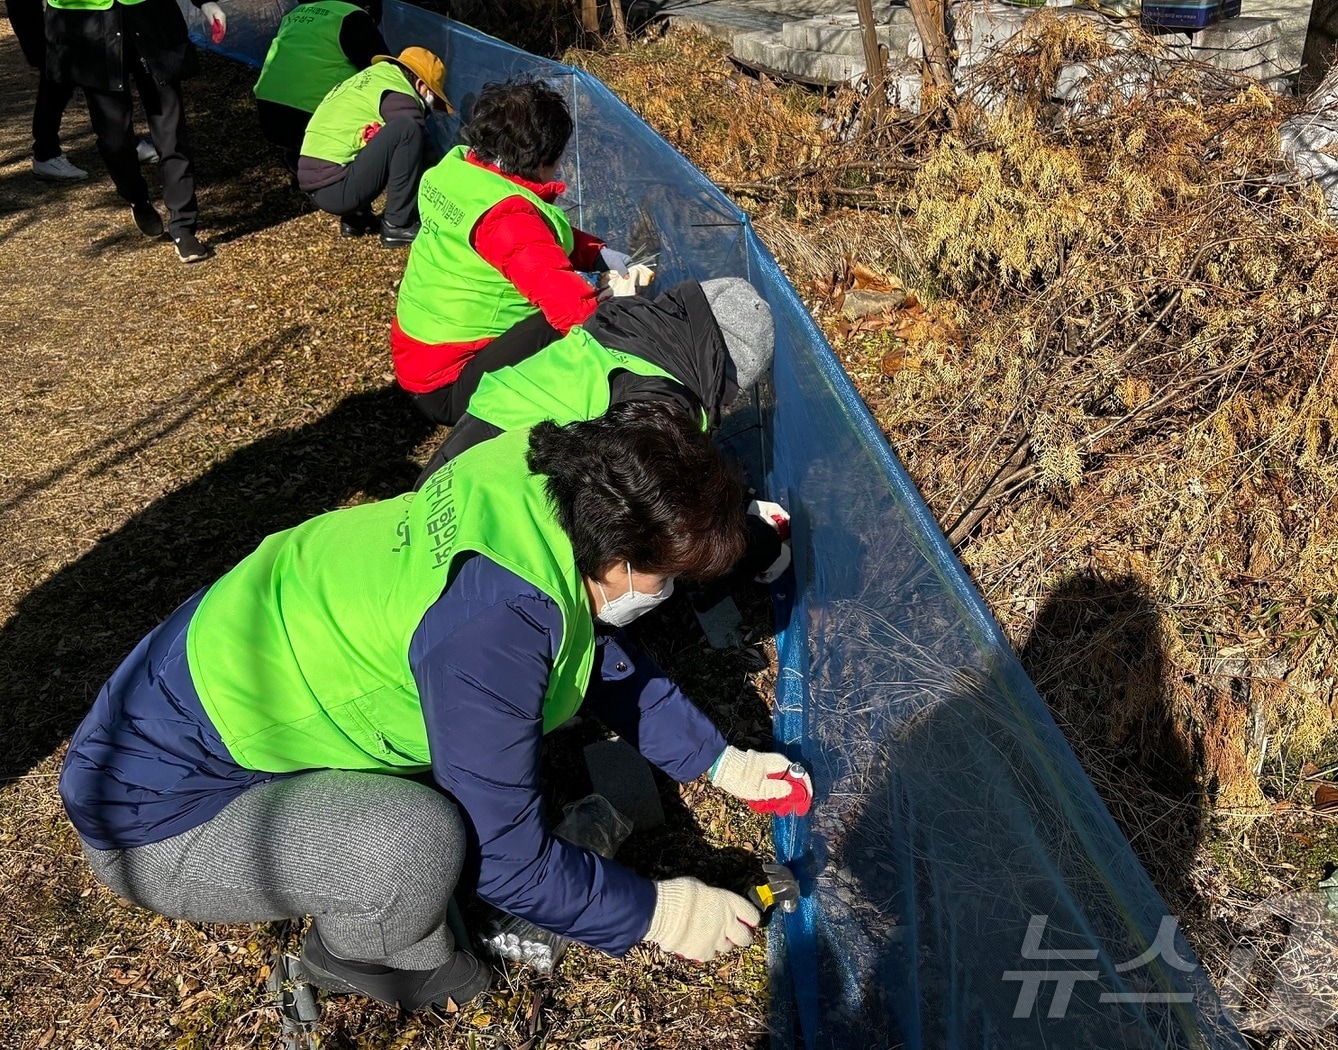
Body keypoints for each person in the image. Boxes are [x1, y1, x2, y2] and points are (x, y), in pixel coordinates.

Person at [59, 401, 813, 1012]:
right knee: (419, 843)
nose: (667, 594)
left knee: (466, 785)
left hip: (193, 685)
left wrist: (720, 761)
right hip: (157, 818)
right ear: (619, 561)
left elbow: (582, 646)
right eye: (667, 576)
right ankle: (358, 955)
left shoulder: (541, 472)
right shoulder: (491, 631)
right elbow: (513, 865)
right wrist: (664, 915)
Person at [413, 276, 792, 585]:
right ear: (723, 369)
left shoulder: (631, 328)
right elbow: (660, 524)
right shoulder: (660, 404)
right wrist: (751, 542)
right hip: (504, 489)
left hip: (480, 436)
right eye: (730, 391)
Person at [392, 78, 640, 427]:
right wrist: (631, 321)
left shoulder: (459, 171)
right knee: (572, 318)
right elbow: (570, 308)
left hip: (419, 357)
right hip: (449, 385)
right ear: (542, 162)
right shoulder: (506, 220)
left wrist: (595, 253)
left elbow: (536, 237)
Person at [44, 0, 224, 262]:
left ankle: (183, 228)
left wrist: (206, 2)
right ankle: (136, 198)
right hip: (89, 26)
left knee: (171, 133)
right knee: (114, 140)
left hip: (150, 16)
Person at [298, 45, 449, 247]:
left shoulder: (374, 79)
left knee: (373, 136)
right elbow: (422, 152)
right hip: (336, 188)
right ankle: (397, 225)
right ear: (421, 85)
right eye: (433, 96)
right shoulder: (399, 93)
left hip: (317, 181)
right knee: (407, 129)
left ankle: (356, 219)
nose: (430, 106)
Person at [252, 0, 388, 172]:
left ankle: (300, 154)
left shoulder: (297, 12)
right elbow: (383, 68)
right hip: (311, 119)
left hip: (268, 112)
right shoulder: (354, 17)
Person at [7, 0, 86, 181]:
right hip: (40, 12)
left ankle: (124, 142)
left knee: (69, 71)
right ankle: (46, 153)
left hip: (67, 12)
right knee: (55, 74)